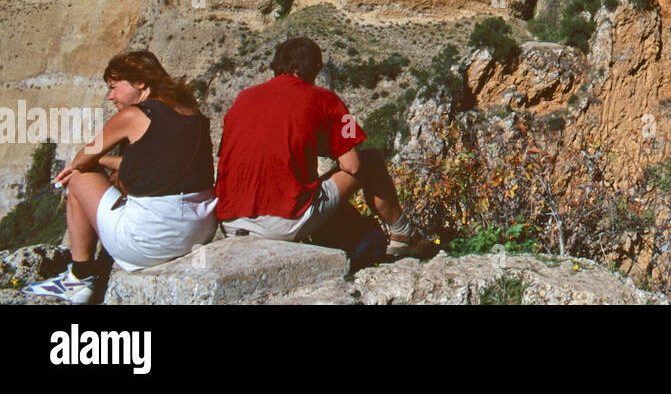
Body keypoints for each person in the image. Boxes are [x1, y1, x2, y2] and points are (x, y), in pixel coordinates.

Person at [23, 51, 217, 304]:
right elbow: (157, 164)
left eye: (114, 88)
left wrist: (93, 161)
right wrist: (105, 161)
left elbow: (82, 158)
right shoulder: (193, 114)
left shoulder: (133, 115)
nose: (111, 96)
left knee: (79, 177)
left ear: (141, 83)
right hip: (198, 232)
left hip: (152, 242)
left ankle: (79, 279)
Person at [215, 36, 431, 258]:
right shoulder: (326, 99)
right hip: (283, 221)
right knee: (371, 160)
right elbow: (353, 165)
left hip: (231, 221)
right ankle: (403, 235)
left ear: (277, 65)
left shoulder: (242, 99)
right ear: (316, 68)